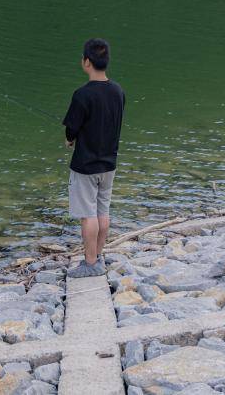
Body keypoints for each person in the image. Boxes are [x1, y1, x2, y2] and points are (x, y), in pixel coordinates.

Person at [62, 38, 125, 278]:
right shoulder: (118, 91)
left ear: (86, 62)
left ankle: (90, 264)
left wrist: (70, 140)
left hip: (85, 166)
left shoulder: (82, 95)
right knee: (102, 211)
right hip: (109, 163)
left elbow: (71, 130)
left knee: (88, 214)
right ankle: (97, 256)